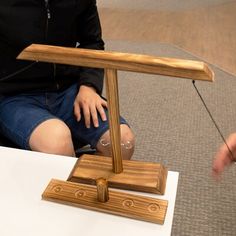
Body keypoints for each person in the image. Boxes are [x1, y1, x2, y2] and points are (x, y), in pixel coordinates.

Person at [0, 0, 135, 159]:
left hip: (68, 90)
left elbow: (92, 42)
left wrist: (89, 87)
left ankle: (79, 178)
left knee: (122, 143)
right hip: (14, 95)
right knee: (57, 144)